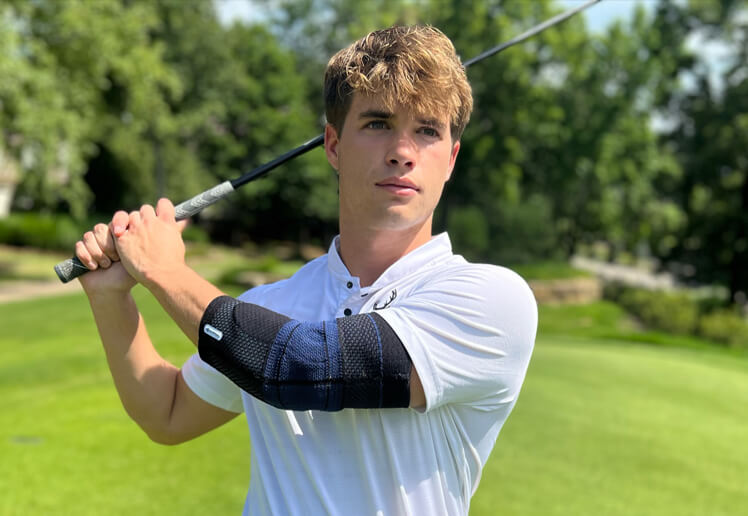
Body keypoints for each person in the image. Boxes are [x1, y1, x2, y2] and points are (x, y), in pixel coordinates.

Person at [75, 25, 537, 516]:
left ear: (451, 158)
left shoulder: (493, 300)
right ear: (333, 146)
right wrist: (111, 298)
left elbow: (302, 368)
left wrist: (166, 273)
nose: (403, 151)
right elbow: (167, 413)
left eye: (427, 130)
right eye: (379, 123)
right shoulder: (266, 309)